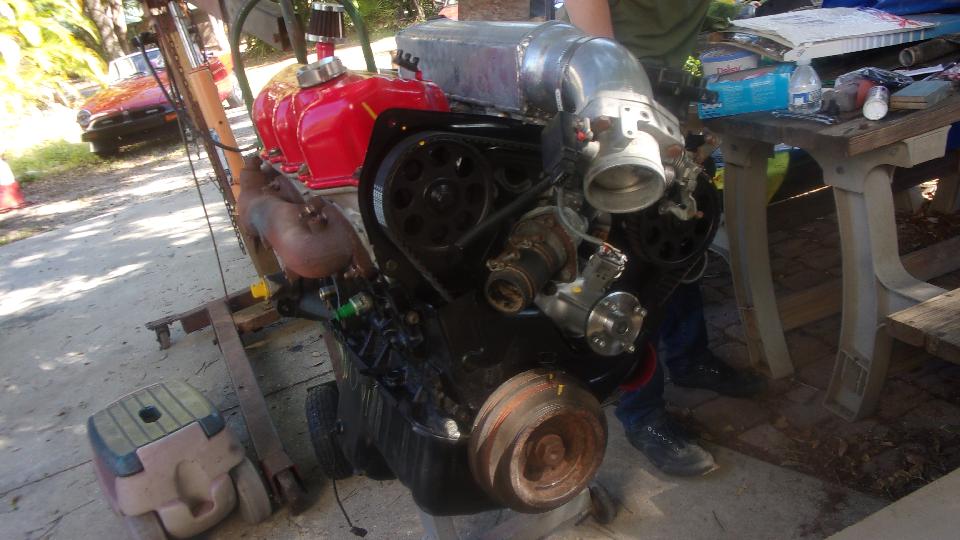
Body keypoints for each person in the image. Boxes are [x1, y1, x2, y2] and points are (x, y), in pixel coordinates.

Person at [564, 0, 767, 476]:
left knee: (680, 239)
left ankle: (690, 358)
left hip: (668, 96)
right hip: (615, 101)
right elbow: (602, 57)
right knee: (633, 267)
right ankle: (641, 412)